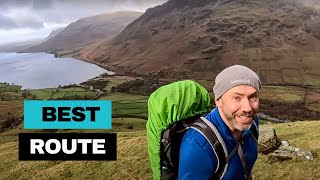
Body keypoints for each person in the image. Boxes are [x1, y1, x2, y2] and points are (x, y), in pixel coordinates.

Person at [178, 65, 262, 180]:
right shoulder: (198, 146)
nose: (247, 108)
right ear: (218, 100)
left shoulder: (252, 124)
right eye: (237, 98)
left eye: (253, 97)